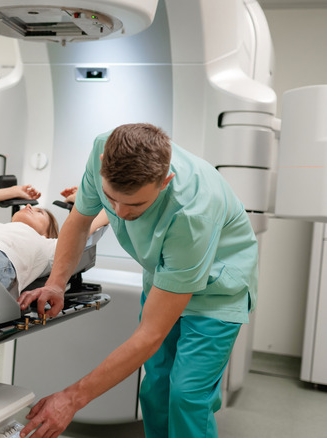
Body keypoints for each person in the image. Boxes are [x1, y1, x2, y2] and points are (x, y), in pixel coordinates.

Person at [16, 123, 258, 438]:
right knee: (156, 391)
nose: (119, 212)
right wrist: (56, 283)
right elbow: (79, 220)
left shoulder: (192, 214)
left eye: (136, 206)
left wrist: (72, 398)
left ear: (165, 182)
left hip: (217, 291)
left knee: (187, 395)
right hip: (165, 277)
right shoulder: (102, 151)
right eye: (111, 199)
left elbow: (150, 335)